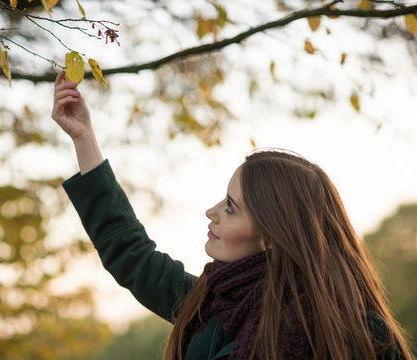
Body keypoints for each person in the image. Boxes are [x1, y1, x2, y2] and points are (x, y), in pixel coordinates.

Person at [51, 70, 413, 360]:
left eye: (230, 207)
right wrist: (84, 138)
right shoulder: (212, 304)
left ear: (273, 234)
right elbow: (132, 255)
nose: (211, 213)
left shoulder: (362, 338)